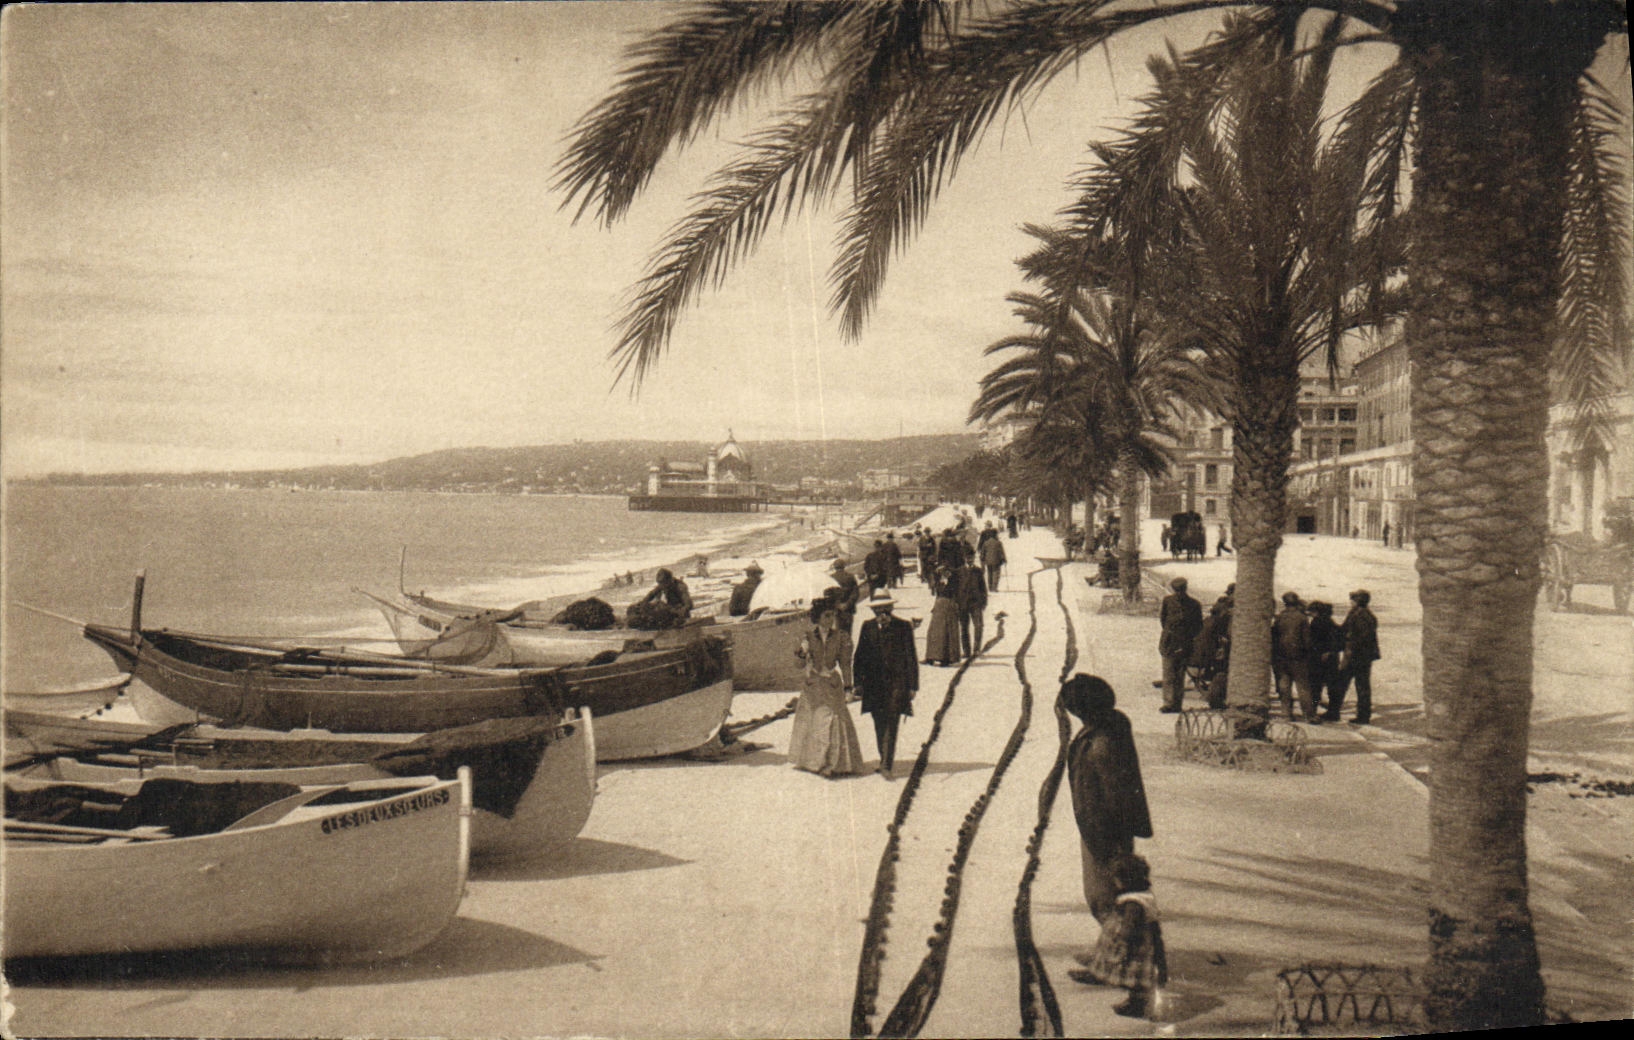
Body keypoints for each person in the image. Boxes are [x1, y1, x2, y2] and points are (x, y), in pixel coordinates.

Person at [1060, 674, 1152, 926]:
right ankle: (1119, 953)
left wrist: (1109, 840)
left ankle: (1119, 958)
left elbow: (1114, 795)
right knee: (1113, 892)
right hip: (1104, 824)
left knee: (1101, 895)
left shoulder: (1099, 745)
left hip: (1102, 828)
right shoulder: (1114, 724)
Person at [1069, 853, 1169, 1020]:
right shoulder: (1142, 894)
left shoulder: (1134, 902)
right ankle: (1133, 999)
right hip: (1144, 943)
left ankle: (1137, 1005)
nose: (1114, 883)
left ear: (1124, 880)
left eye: (1116, 879)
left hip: (1136, 947)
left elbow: (1130, 927)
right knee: (1134, 977)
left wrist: (1120, 939)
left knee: (1134, 977)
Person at [788, 597, 864, 777]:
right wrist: (801, 654)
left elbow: (846, 664)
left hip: (832, 684)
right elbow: (797, 666)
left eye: (833, 616)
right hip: (813, 685)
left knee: (832, 722)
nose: (830, 620)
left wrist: (848, 688)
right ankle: (817, 762)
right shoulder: (807, 636)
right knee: (816, 723)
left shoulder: (841, 637)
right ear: (818, 617)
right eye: (827, 616)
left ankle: (832, 763)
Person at [853, 590, 919, 778]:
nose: (882, 612)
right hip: (874, 685)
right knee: (878, 723)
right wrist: (858, 682)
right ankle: (884, 759)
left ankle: (886, 765)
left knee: (892, 721)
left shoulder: (903, 627)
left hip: (897, 684)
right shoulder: (867, 628)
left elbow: (910, 658)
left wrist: (913, 686)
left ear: (891, 608)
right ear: (873, 610)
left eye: (885, 608)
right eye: (877, 609)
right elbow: (859, 657)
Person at [1331, 589, 1380, 724]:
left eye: (1352, 600)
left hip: (1354, 655)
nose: (1350, 602)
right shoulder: (1368, 615)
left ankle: (1334, 712)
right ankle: (1363, 716)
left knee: (1342, 683)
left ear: (1356, 601)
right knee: (1362, 686)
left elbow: (1354, 635)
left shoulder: (1358, 615)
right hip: (1365, 656)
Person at [1158, 577, 1203, 713]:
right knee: (1168, 673)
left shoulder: (1195, 605)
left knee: (1179, 674)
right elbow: (1163, 619)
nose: (1179, 593)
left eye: (1181, 590)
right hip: (1169, 642)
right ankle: (1168, 703)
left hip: (1185, 642)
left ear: (1185, 589)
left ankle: (1177, 704)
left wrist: (1188, 636)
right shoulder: (1167, 601)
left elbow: (1198, 626)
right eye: (1176, 591)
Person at [1272, 591, 1319, 722]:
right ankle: (1308, 715)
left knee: (1284, 687)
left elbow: (1275, 637)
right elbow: (1307, 640)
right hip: (1298, 657)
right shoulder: (1302, 618)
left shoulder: (1280, 617)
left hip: (1281, 657)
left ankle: (1286, 714)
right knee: (1303, 687)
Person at [1191, 584, 1234, 710]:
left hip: (1198, 656)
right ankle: (1217, 695)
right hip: (1206, 658)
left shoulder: (1208, 621)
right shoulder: (1220, 621)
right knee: (1223, 669)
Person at [1307, 601, 1341, 719]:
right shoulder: (1331, 622)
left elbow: (1313, 641)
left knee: (1316, 686)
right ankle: (1334, 712)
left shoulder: (1316, 623)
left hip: (1318, 659)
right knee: (1332, 687)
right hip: (1332, 658)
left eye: (1311, 612)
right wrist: (1332, 651)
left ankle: (1313, 711)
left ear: (1315, 612)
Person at [922, 565, 962, 667]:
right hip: (939, 606)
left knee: (945, 632)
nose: (941, 574)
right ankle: (931, 657)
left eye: (943, 572)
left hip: (948, 606)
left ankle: (945, 658)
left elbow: (955, 594)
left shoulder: (953, 582)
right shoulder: (939, 581)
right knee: (933, 632)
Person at [955, 545, 988, 661]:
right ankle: (966, 651)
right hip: (963, 604)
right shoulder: (959, 571)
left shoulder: (978, 571)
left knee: (979, 626)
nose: (970, 560)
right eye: (968, 558)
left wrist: (984, 602)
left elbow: (983, 588)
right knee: (964, 627)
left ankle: (977, 649)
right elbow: (955, 589)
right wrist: (956, 603)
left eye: (972, 557)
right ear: (964, 558)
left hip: (976, 604)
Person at [829, 558, 860, 633]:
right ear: (844, 566)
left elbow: (829, 596)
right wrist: (848, 604)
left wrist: (837, 604)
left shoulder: (831, 578)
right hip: (848, 609)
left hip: (837, 610)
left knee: (838, 631)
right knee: (848, 631)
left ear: (835, 567)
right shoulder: (850, 576)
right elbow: (855, 593)